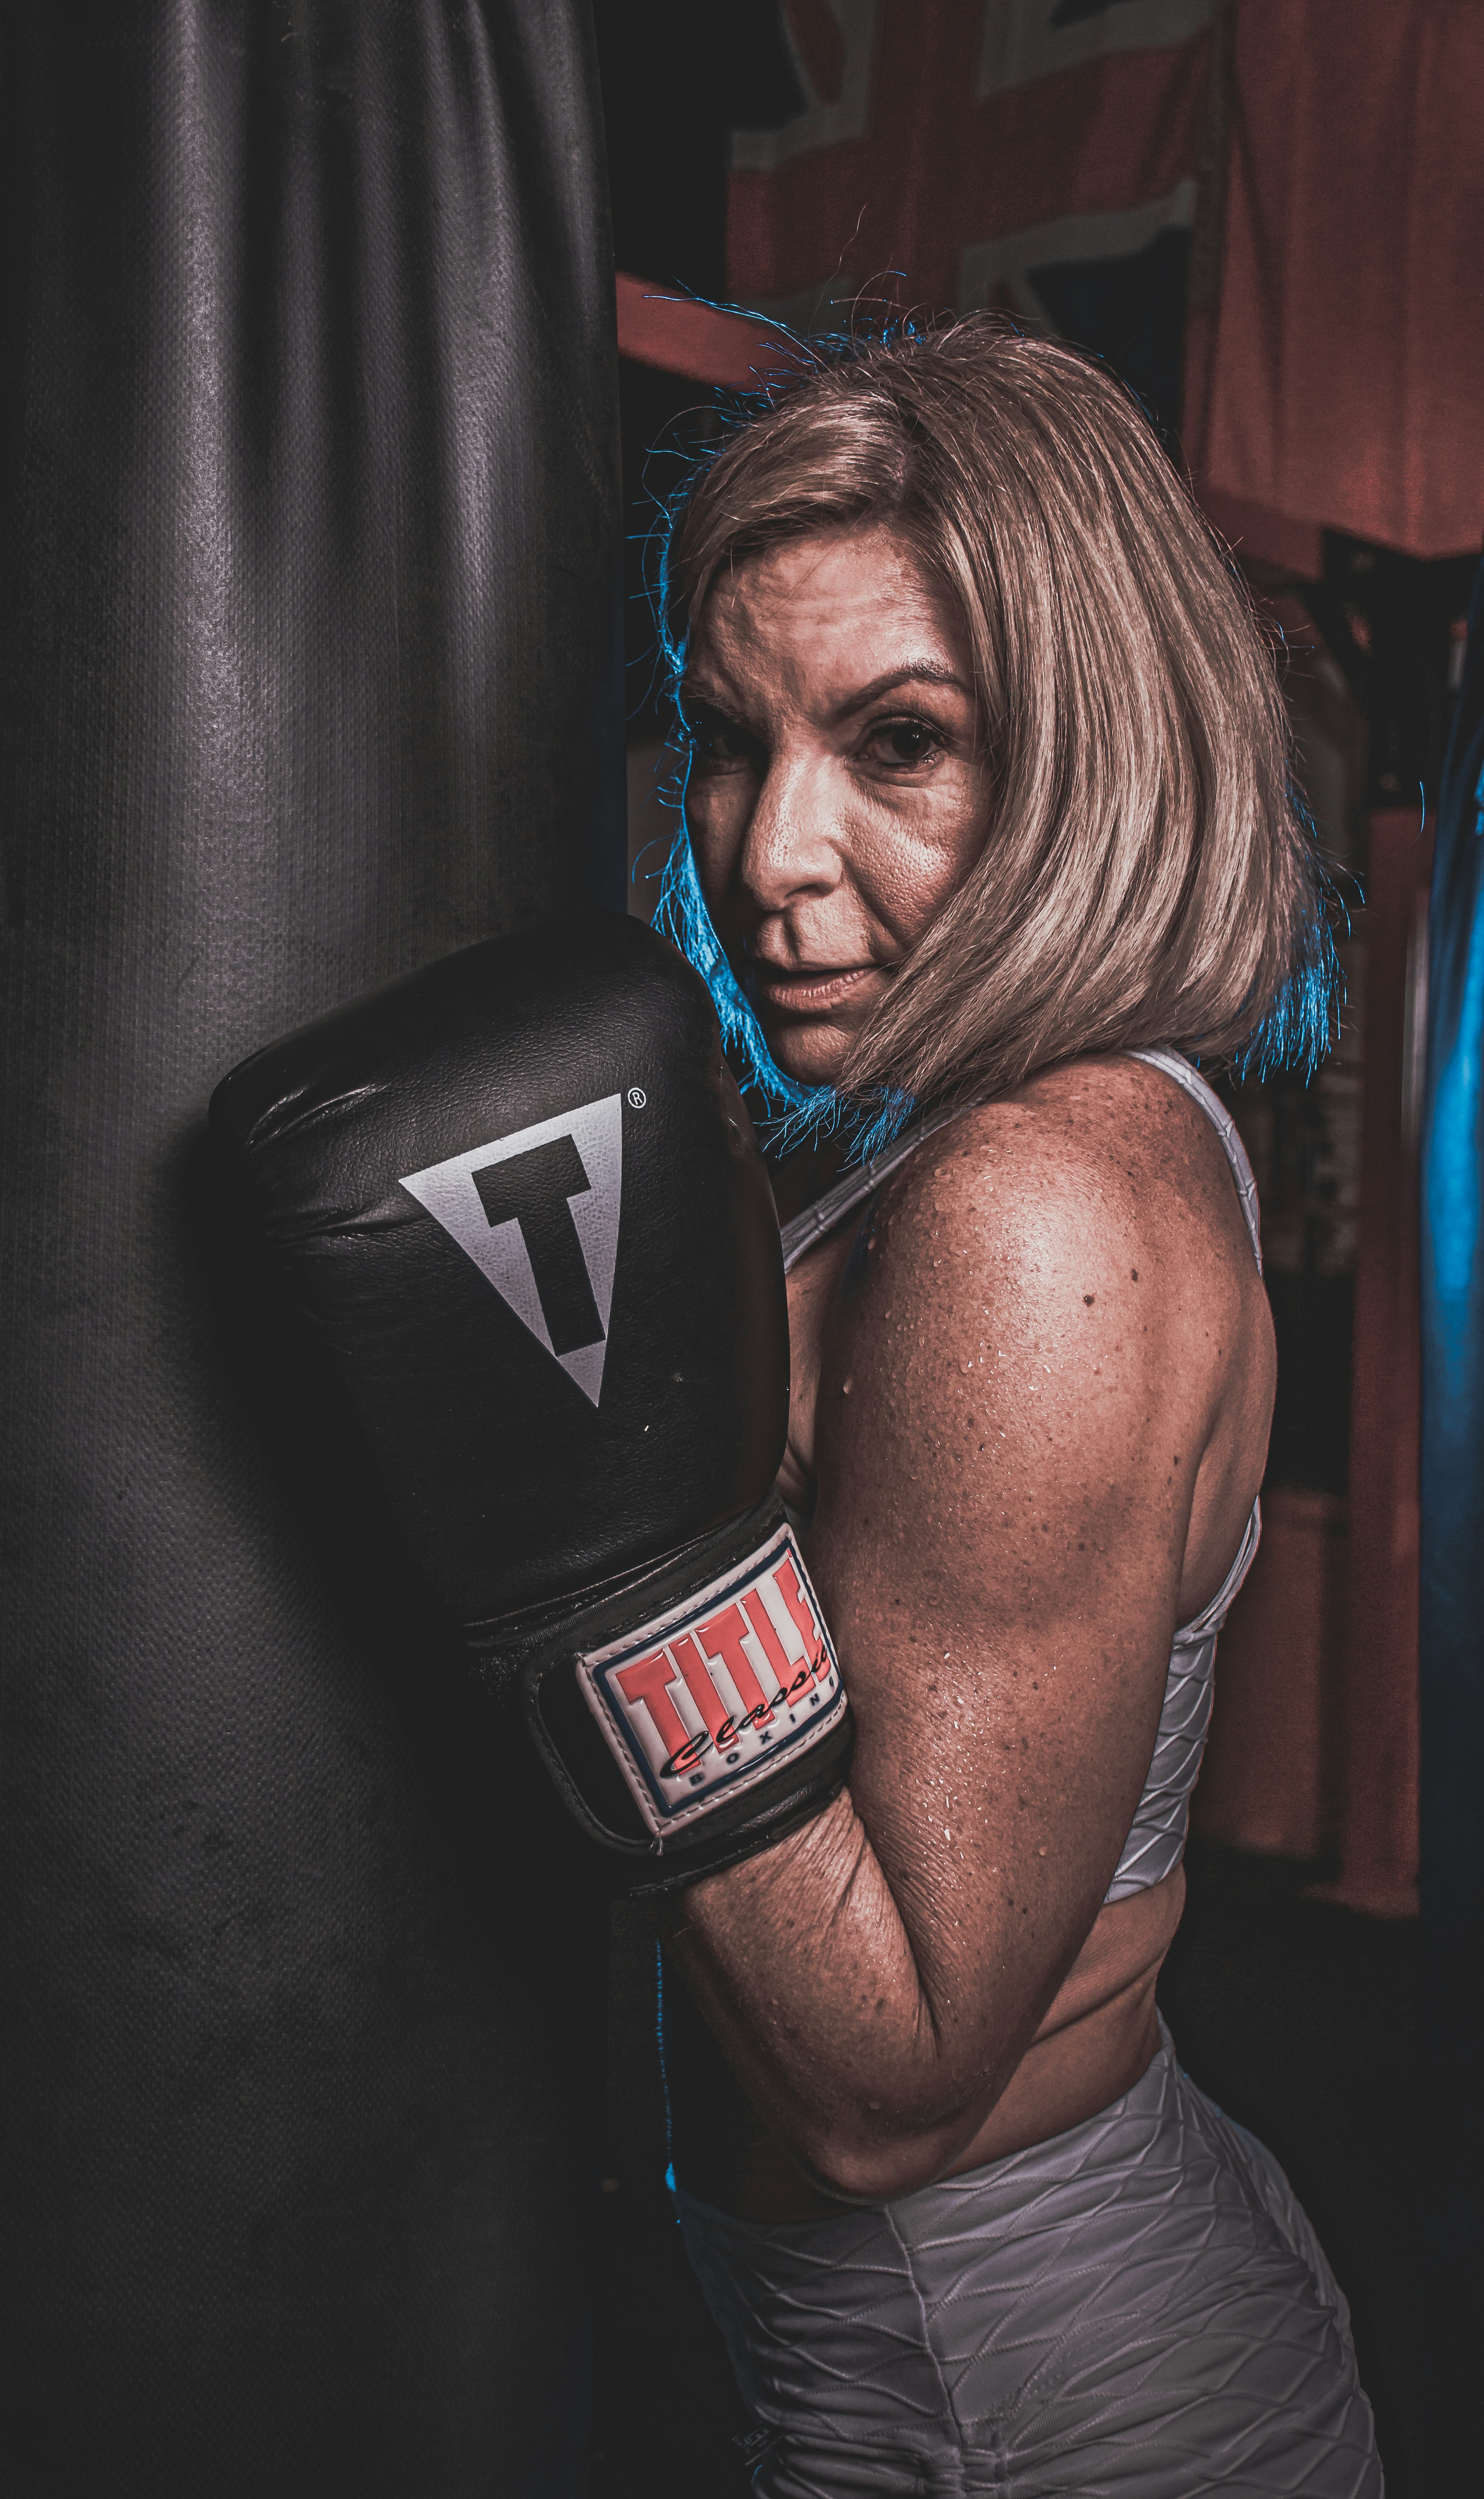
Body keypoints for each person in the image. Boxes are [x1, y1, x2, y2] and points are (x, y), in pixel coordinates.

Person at [649, 320, 1384, 2497]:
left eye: (900, 741)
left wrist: (588, 1559)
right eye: (726, 737)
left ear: (1088, 751)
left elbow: (889, 2075)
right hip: (945, 2334)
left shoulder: (1035, 1199)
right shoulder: (981, 1136)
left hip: (1014, 2388)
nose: (769, 852)